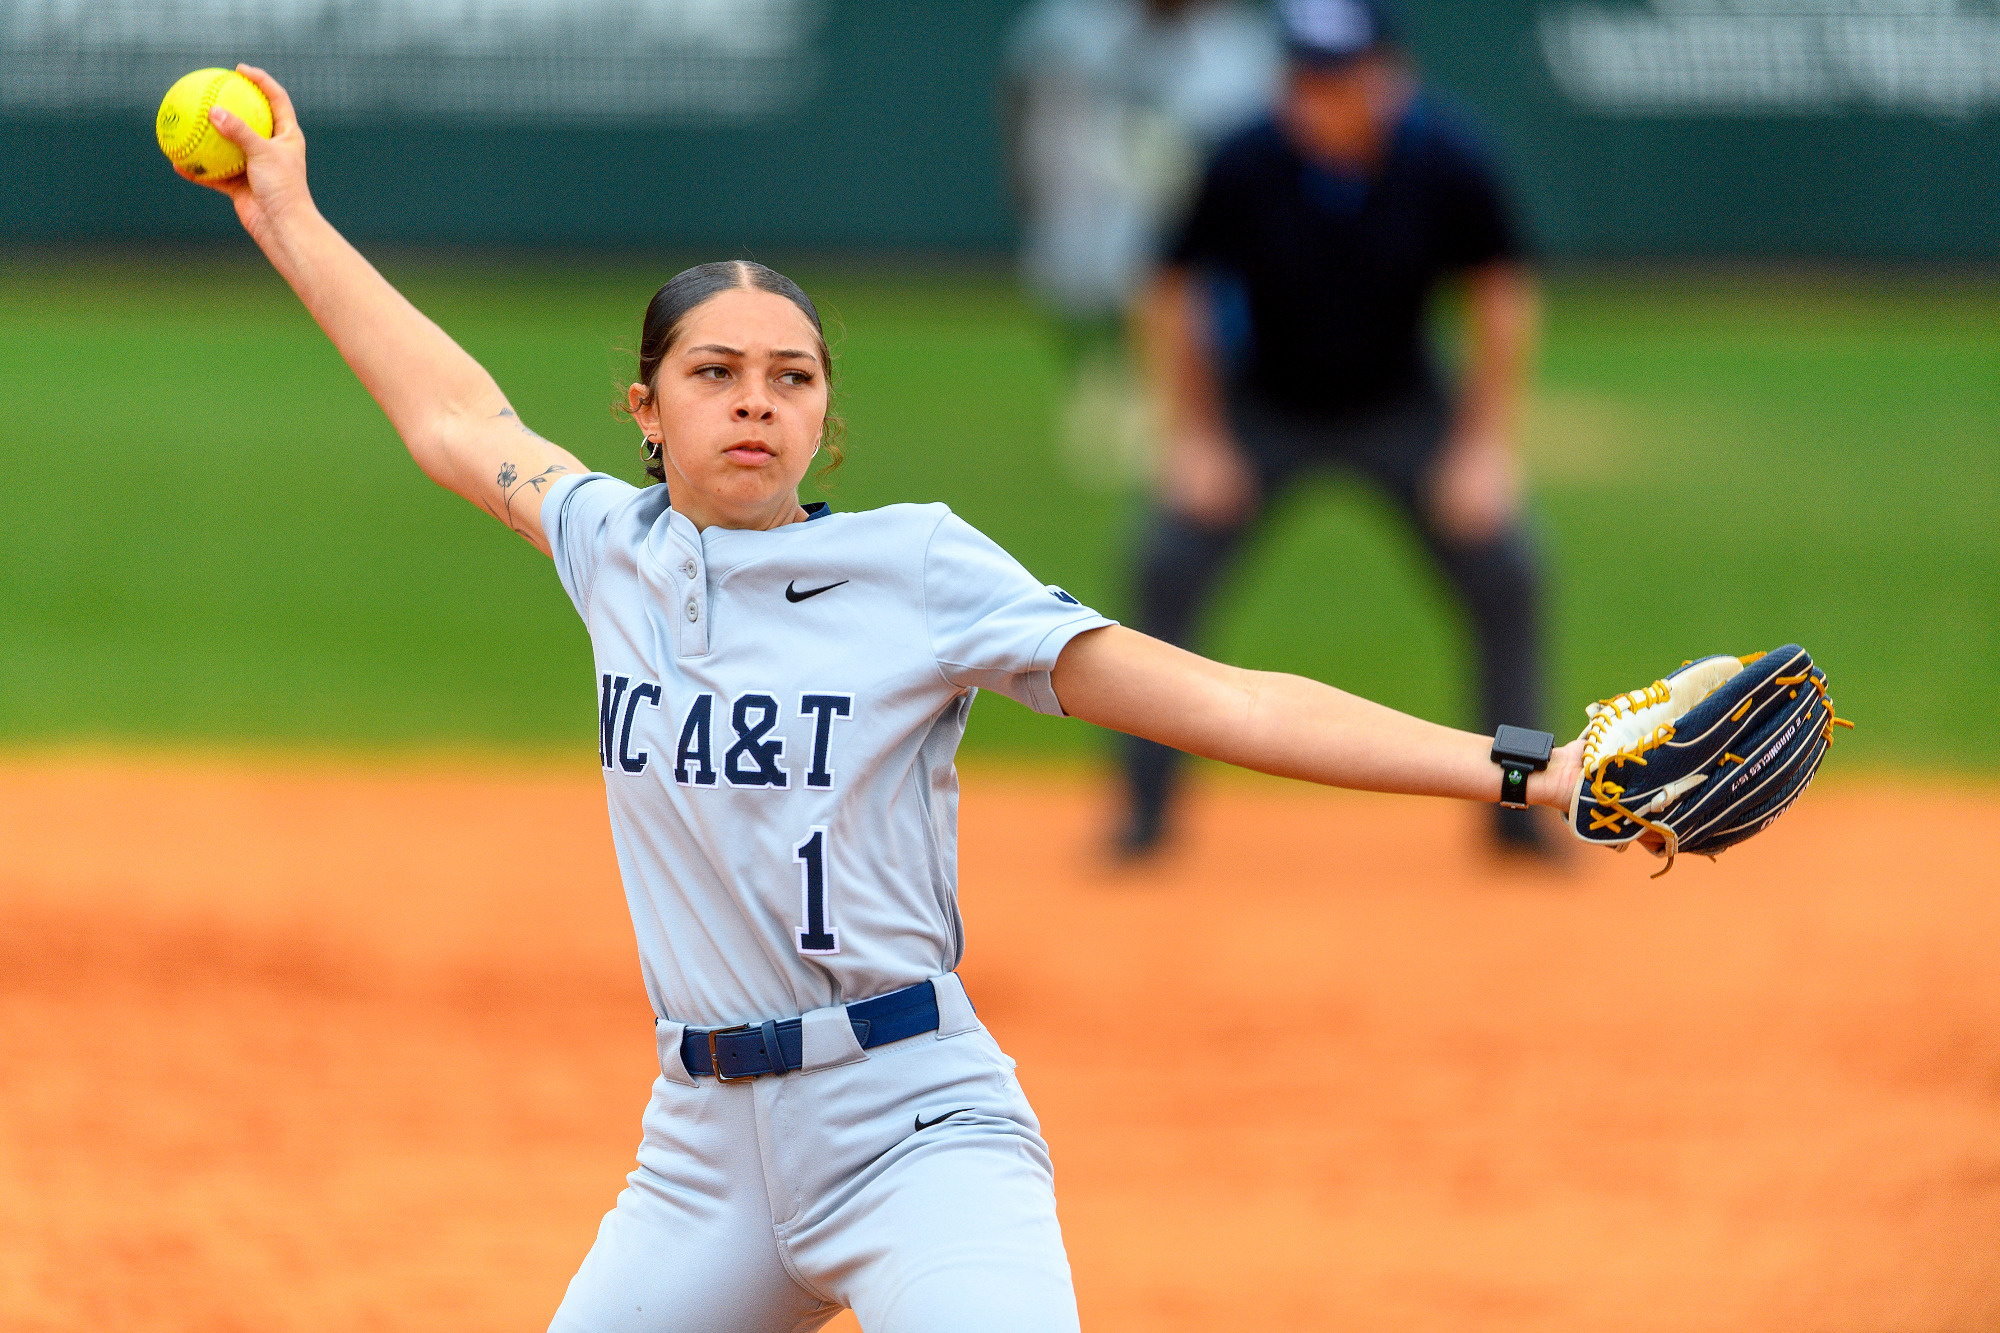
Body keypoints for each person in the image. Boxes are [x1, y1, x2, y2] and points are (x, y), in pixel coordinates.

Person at [188, 65, 1587, 1333]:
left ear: (822, 415)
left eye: (790, 378)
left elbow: (1219, 699)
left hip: (916, 1125)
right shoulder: (611, 547)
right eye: (715, 374)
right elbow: (456, 420)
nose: (755, 402)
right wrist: (289, 217)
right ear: (646, 410)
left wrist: (1529, 767)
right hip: (697, 1154)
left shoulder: (914, 568)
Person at [1117, 0, 1556, 860]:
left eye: (1339, 78)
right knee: (1164, 564)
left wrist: (1482, 447)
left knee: (1507, 571)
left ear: (1390, 79)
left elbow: (1502, 298)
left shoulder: (1447, 159)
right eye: (1303, 78)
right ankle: (1145, 815)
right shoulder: (1245, 159)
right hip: (1266, 406)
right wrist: (1196, 437)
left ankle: (1519, 814)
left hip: (1402, 405)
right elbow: (1172, 291)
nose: (1317, 97)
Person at [1003, 0, 1280, 485]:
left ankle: (1164, 397)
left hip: (1194, 198)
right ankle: (1104, 380)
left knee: (1182, 290)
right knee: (1081, 274)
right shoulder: (1077, 26)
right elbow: (1028, 99)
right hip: (1097, 191)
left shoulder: (1236, 45)